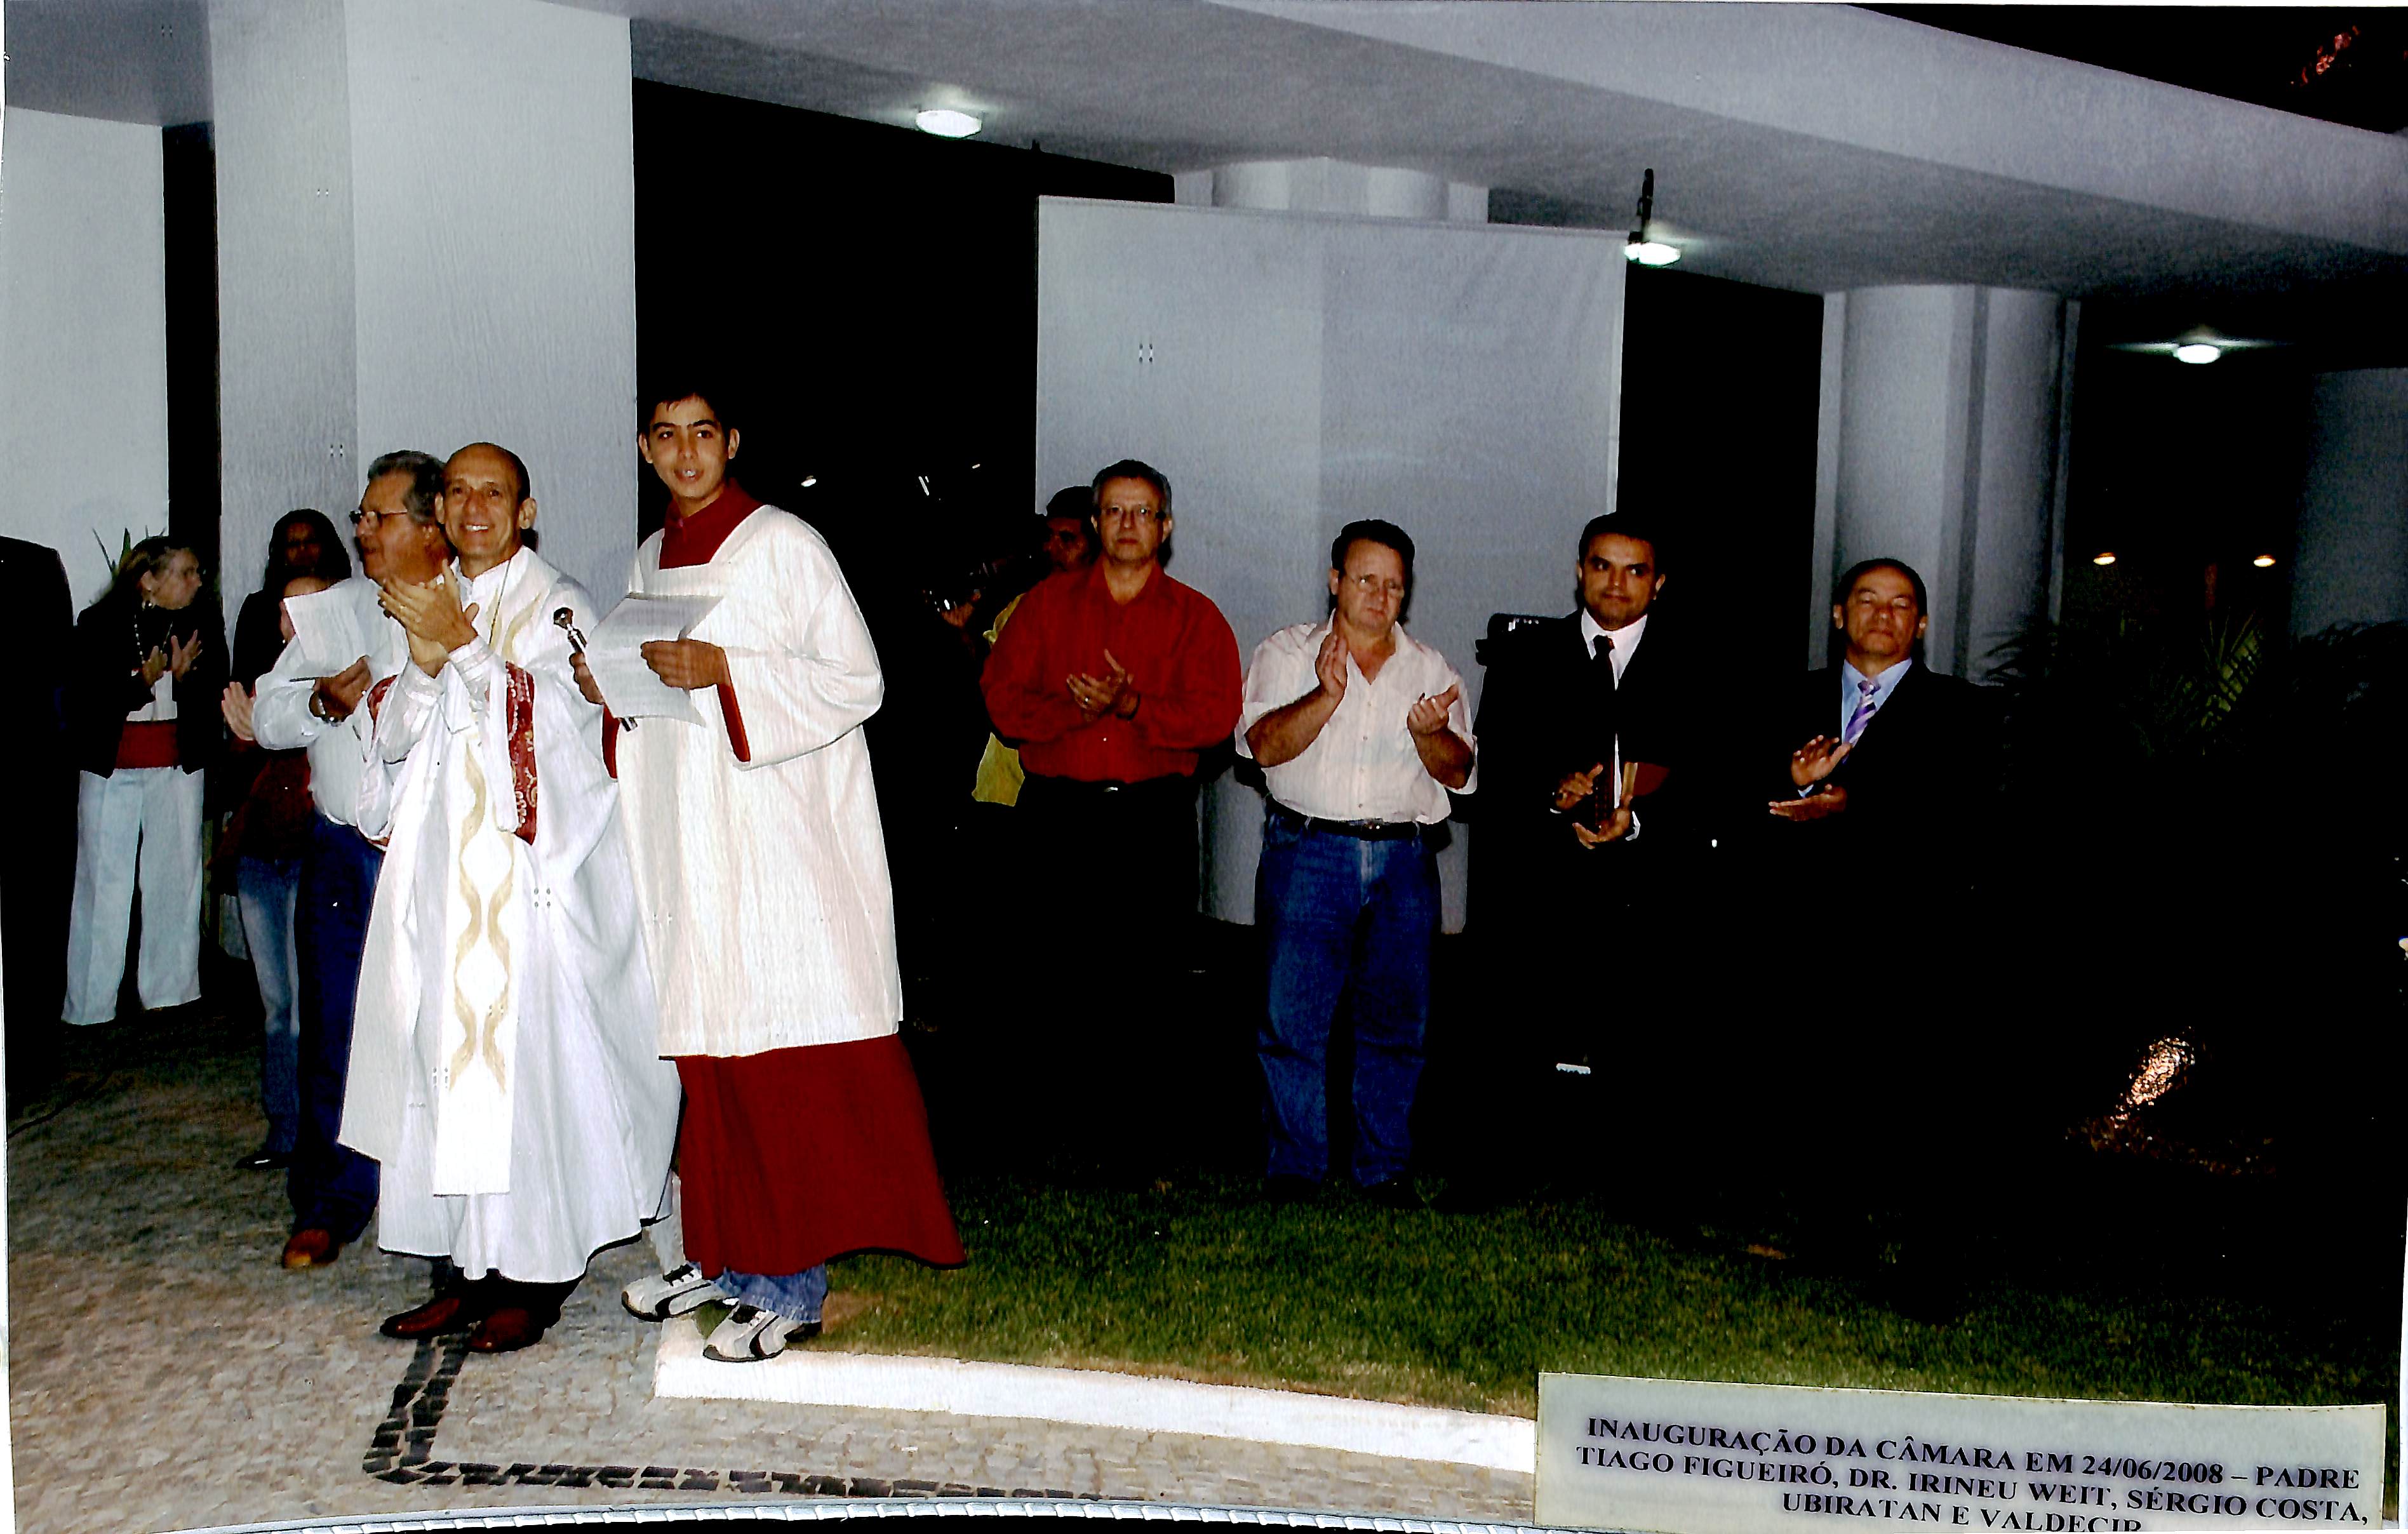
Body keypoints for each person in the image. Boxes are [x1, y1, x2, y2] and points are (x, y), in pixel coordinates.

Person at [600, 387, 962, 1363]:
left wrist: (727, 671)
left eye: (703, 434)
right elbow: (649, 692)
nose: (686, 453)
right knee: (710, 1057)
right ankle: (721, 1257)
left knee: (779, 1063)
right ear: (645, 448)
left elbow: (857, 680)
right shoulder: (650, 557)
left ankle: (788, 1285)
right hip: (692, 841)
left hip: (780, 848)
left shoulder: (784, 544)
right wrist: (614, 686)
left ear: (732, 443)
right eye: (666, 436)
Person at [345, 441, 681, 1355]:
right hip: (443, 882)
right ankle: (465, 1271)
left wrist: (461, 651)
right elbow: (395, 740)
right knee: (443, 1072)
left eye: (493, 493)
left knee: (519, 1083)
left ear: (525, 511)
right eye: (457, 492)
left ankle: (531, 1276)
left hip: (526, 887)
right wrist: (423, 665)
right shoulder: (427, 593)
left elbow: (570, 732)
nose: (473, 509)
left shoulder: (558, 603)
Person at [978, 459, 1243, 1170]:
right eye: (1115, 512)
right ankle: (1054, 1137)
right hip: (1059, 816)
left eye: (1143, 512)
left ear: (1166, 527)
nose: (1129, 525)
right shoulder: (1044, 607)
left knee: (1148, 979)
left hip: (1150, 821)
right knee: (1054, 974)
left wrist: (1134, 707)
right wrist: (1073, 711)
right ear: (1096, 523)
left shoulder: (1196, 618)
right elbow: (1002, 701)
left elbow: (1217, 717)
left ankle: (1139, 1141)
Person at [1450, 514, 1705, 1210]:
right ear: (1578, 571)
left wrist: (1638, 820)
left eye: (1635, 570)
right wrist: (1552, 794)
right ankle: (1498, 1168)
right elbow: (1494, 765)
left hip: (1646, 880)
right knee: (1516, 1022)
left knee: (1645, 1030)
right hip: (1545, 874)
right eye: (1601, 566)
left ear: (1659, 583)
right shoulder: (1526, 656)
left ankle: (1642, 1184)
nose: (1616, 584)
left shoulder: (1694, 665)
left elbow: (1708, 777)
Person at [244, 451, 451, 1269]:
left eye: (378, 515)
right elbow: (267, 715)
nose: (361, 528)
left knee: (437, 1034)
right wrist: (320, 701)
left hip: (433, 851)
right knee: (333, 1025)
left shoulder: (467, 605)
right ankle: (332, 1200)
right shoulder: (336, 607)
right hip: (340, 853)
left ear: (430, 526)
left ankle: (446, 1212)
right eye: (360, 515)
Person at [1238, 519, 1474, 1204]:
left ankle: (1384, 1168)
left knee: (1398, 1024)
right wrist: (1325, 695)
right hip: (1308, 851)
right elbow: (1261, 747)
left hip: (1403, 860)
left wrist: (1431, 738)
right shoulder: (1287, 652)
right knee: (1291, 1019)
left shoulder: (1432, 670)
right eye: (1366, 579)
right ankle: (1295, 1168)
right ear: (1335, 580)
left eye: (1394, 584)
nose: (1380, 595)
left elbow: (1461, 773)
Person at [63, 537, 225, 1026]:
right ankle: (90, 1007)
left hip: (176, 767)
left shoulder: (205, 621)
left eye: (198, 573)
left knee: (175, 879)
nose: (197, 582)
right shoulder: (99, 623)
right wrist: (141, 682)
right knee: (103, 885)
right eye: (185, 573)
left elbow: (219, 690)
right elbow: (85, 703)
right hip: (112, 768)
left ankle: (170, 995)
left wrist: (185, 677)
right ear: (148, 580)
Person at [221, 572, 335, 1171]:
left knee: (308, 1005)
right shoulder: (270, 679)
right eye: (285, 609)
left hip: (310, 852)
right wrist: (249, 734)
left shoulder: (343, 676)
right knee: (276, 1006)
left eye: (303, 606)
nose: (289, 619)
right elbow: (237, 763)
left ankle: (316, 1133)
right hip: (260, 853)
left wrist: (266, 730)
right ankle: (284, 1130)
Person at [969, 486, 1100, 808]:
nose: (1051, 549)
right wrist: (962, 634)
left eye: (1067, 539)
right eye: (1049, 537)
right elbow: (987, 684)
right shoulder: (1022, 606)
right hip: (1005, 790)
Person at [231, 510, 352, 688]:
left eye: (311, 542)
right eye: (293, 544)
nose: (303, 551)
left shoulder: (348, 599)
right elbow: (244, 680)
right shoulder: (257, 609)